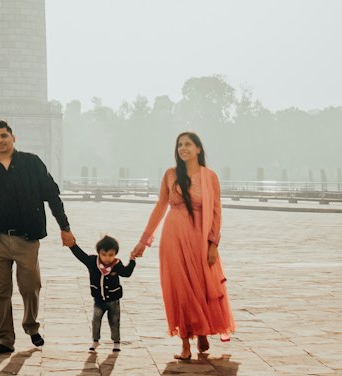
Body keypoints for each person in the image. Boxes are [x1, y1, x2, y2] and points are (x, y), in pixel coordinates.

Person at [0, 119, 75, 355]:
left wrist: (64, 227)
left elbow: (52, 195)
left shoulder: (31, 163)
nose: (0, 141)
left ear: (13, 137)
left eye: (4, 136)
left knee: (30, 286)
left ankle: (31, 325)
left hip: (26, 238)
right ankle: (5, 339)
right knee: (0, 292)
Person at [130, 131, 234, 361]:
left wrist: (213, 244)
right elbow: (160, 207)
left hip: (200, 237)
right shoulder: (171, 174)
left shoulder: (210, 177)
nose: (183, 148)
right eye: (179, 145)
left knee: (201, 285)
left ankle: (203, 330)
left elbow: (216, 212)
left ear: (198, 149)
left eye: (188, 144)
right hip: (173, 237)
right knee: (179, 287)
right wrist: (143, 241)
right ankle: (186, 341)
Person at [69, 233, 136, 352]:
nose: (107, 258)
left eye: (111, 255)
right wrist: (72, 245)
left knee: (114, 321)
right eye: (104, 254)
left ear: (115, 254)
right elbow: (81, 256)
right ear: (99, 253)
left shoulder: (116, 265)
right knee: (96, 320)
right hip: (98, 300)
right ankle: (95, 341)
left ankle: (116, 342)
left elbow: (127, 273)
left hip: (114, 301)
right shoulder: (92, 262)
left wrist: (132, 260)